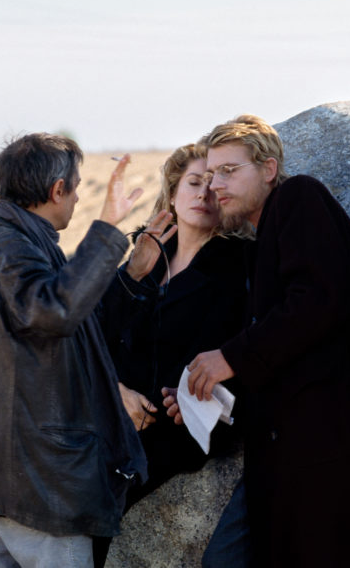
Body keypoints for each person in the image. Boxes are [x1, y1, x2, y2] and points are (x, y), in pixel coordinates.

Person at [171, 115, 350, 567]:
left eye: (229, 170)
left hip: (324, 446)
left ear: (269, 169)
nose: (216, 184)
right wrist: (203, 394)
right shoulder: (263, 239)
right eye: (212, 172)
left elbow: (320, 300)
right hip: (287, 451)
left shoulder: (300, 198)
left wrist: (230, 357)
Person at [0, 132, 147, 568]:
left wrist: (130, 273)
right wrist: (108, 229)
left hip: (5, 475)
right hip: (41, 487)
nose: (78, 200)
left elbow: (65, 324)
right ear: (57, 190)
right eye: (76, 188)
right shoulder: (12, 249)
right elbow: (56, 311)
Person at [96, 143, 254, 566]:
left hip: (172, 427)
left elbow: (218, 351)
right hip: (114, 412)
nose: (204, 193)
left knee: (89, 499)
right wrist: (131, 273)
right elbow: (94, 335)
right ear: (173, 193)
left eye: (214, 184)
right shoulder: (149, 255)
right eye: (194, 182)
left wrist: (140, 404)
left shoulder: (234, 266)